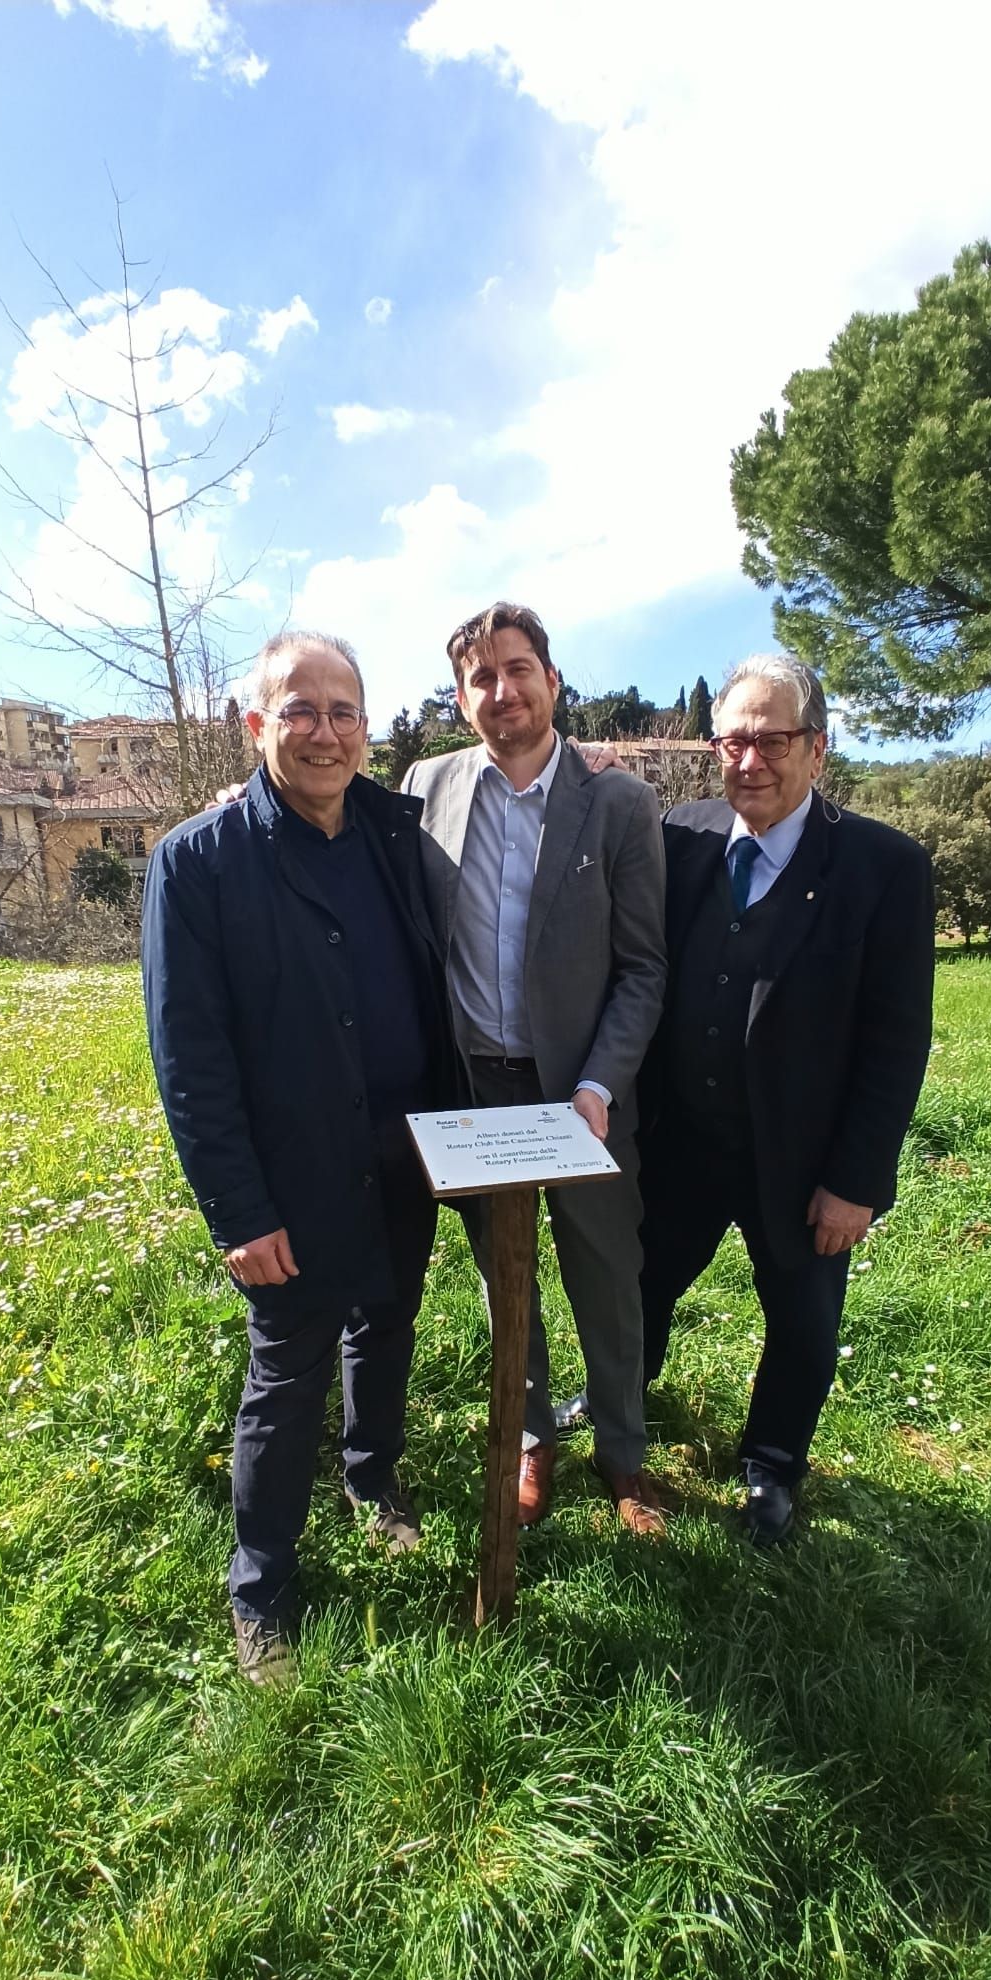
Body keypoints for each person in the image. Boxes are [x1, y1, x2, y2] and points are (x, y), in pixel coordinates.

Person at [556, 653, 933, 1546]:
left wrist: (857, 1179)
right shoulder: (678, 836)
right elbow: (563, 841)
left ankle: (772, 1464)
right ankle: (620, 1396)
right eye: (732, 740)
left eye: (772, 739)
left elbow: (895, 1039)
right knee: (642, 1282)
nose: (749, 760)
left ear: (817, 750)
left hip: (803, 1157)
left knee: (803, 1318)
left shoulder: (884, 867)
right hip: (683, 1139)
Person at [141, 631, 456, 1687]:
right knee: (286, 1374)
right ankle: (261, 1585)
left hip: (405, 1152)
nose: (324, 731)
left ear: (368, 727)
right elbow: (190, 1056)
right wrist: (238, 1210)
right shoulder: (198, 861)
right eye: (301, 709)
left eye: (344, 711)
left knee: (390, 1322)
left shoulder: (396, 833)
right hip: (291, 1177)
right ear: (256, 723)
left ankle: (373, 1480)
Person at [401, 602, 668, 1535]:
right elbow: (331, 811)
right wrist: (240, 799)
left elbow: (643, 967)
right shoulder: (425, 786)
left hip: (585, 1095)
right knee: (502, 1273)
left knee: (606, 1273)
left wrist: (599, 1087)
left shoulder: (620, 803)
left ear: (552, 680)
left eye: (518, 670)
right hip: (478, 1091)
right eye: (481, 677)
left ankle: (624, 1456)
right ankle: (529, 1440)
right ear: (463, 696)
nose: (502, 690)